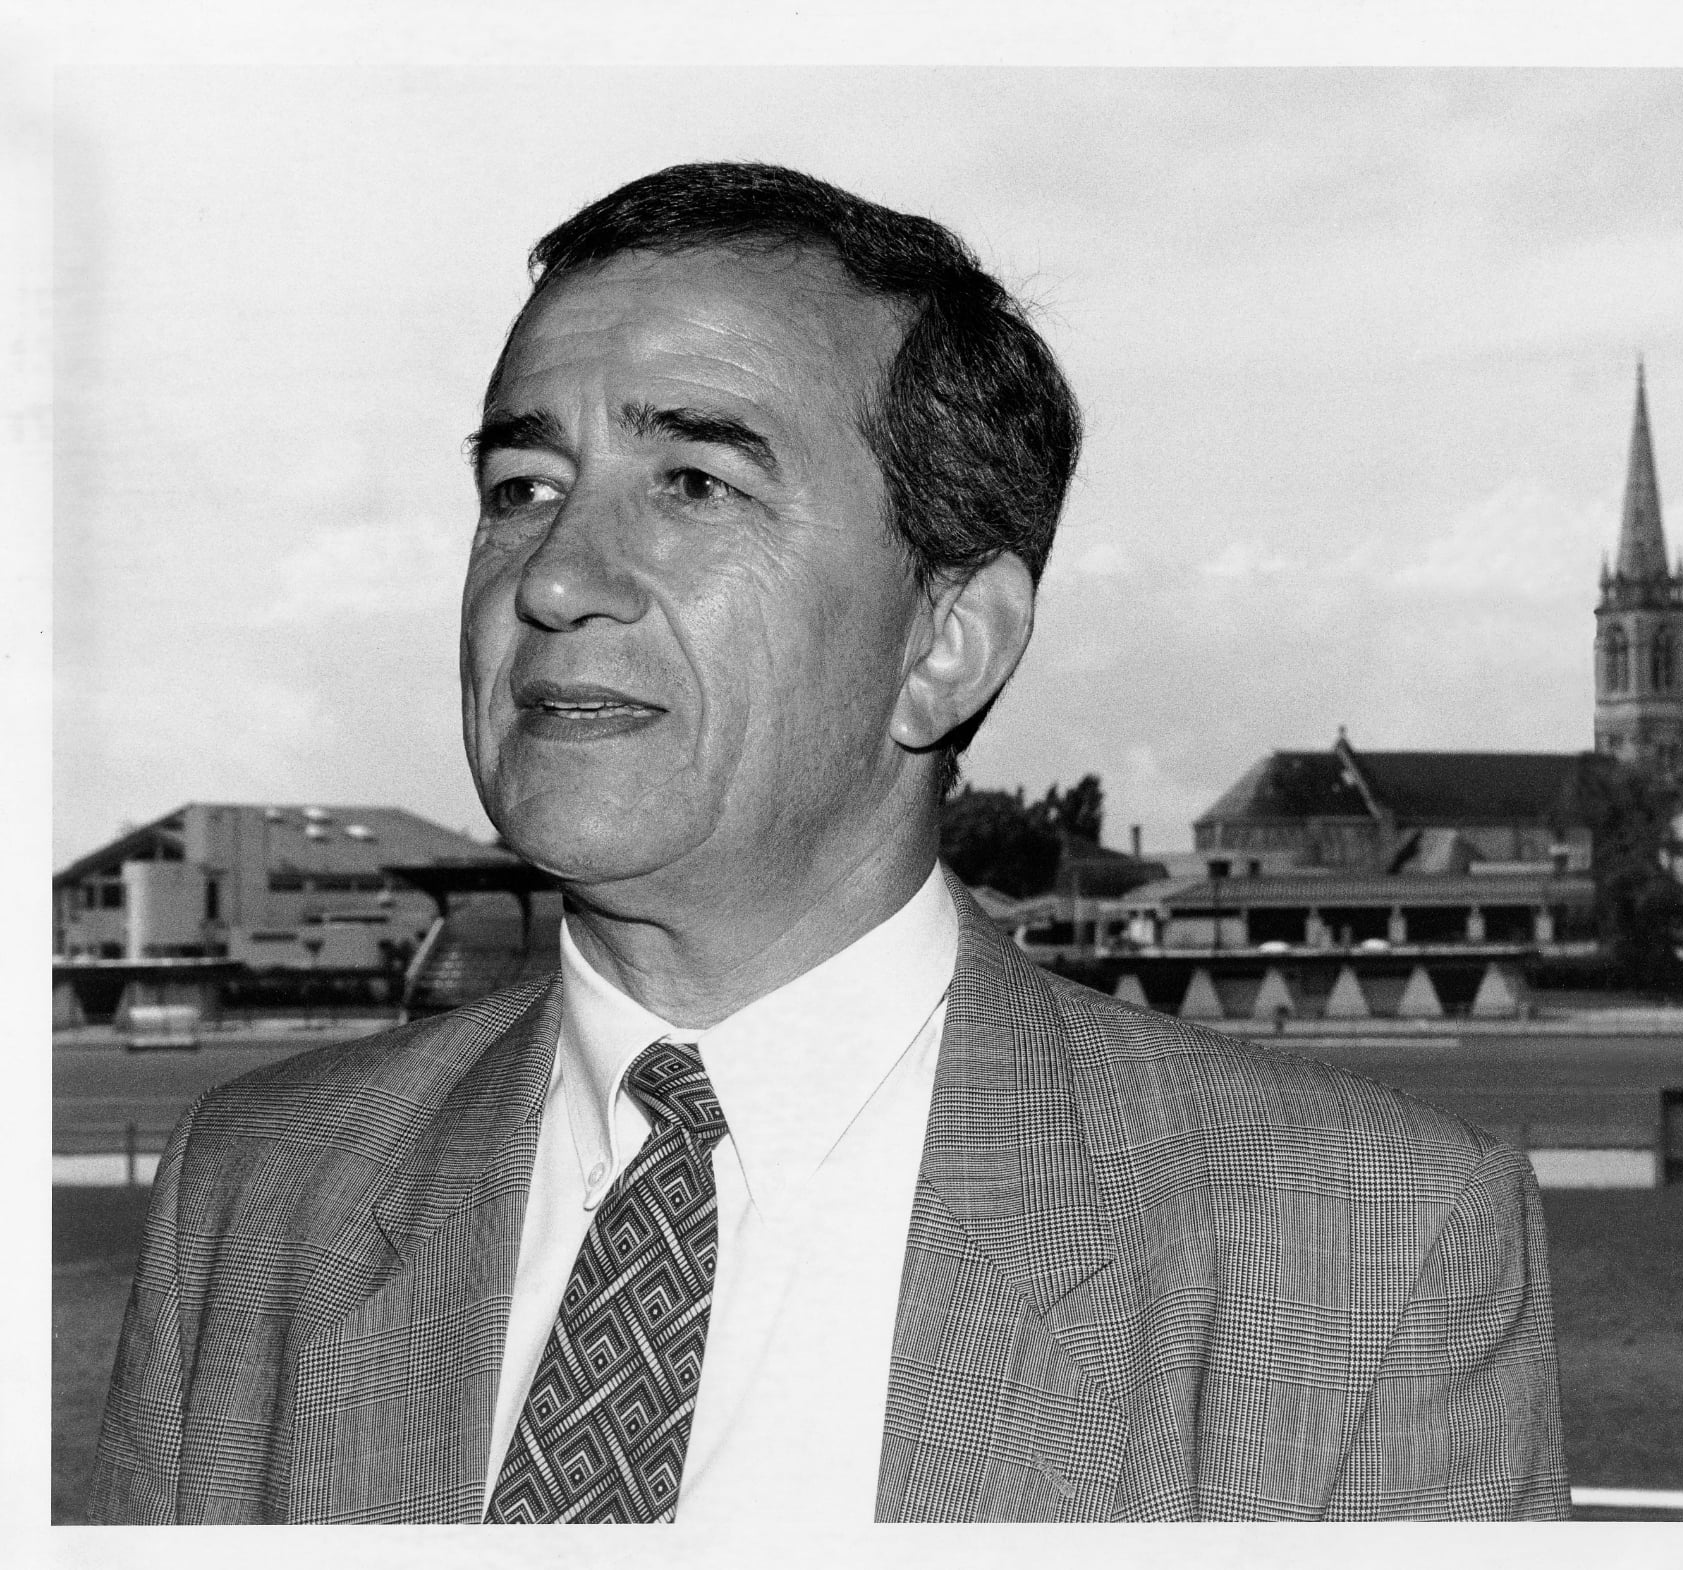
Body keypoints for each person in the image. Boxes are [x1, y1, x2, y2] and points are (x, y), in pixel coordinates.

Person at [91, 163, 1569, 1524]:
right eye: (522, 488)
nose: (554, 577)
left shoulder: (1360, 1242)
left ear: (948, 640)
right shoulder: (258, 1191)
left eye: (695, 483)